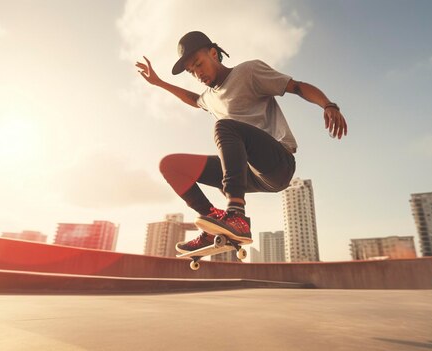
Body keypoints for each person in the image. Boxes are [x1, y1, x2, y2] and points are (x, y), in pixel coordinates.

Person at [135, 31, 347, 253]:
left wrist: (328, 105)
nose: (197, 74)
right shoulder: (209, 97)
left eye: (199, 64)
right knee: (170, 165)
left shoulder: (248, 71)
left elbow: (297, 86)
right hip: (247, 175)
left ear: (214, 54)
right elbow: (193, 100)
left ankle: (237, 215)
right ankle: (212, 221)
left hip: (278, 164)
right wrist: (159, 83)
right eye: (191, 71)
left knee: (224, 126)